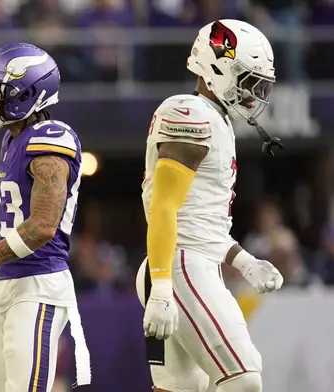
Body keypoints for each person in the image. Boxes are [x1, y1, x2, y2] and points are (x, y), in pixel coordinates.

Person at [137, 20, 285, 392]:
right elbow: (165, 209)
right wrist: (161, 286)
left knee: (182, 389)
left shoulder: (213, 118)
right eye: (249, 81)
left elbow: (199, 220)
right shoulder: (191, 113)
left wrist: (243, 260)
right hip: (180, 266)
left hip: (185, 262)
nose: (254, 95)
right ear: (219, 67)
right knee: (243, 378)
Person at [0, 42, 91, 392]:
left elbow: (42, 227)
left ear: (27, 93)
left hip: (39, 285)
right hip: (11, 284)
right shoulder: (16, 139)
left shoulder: (50, 138)